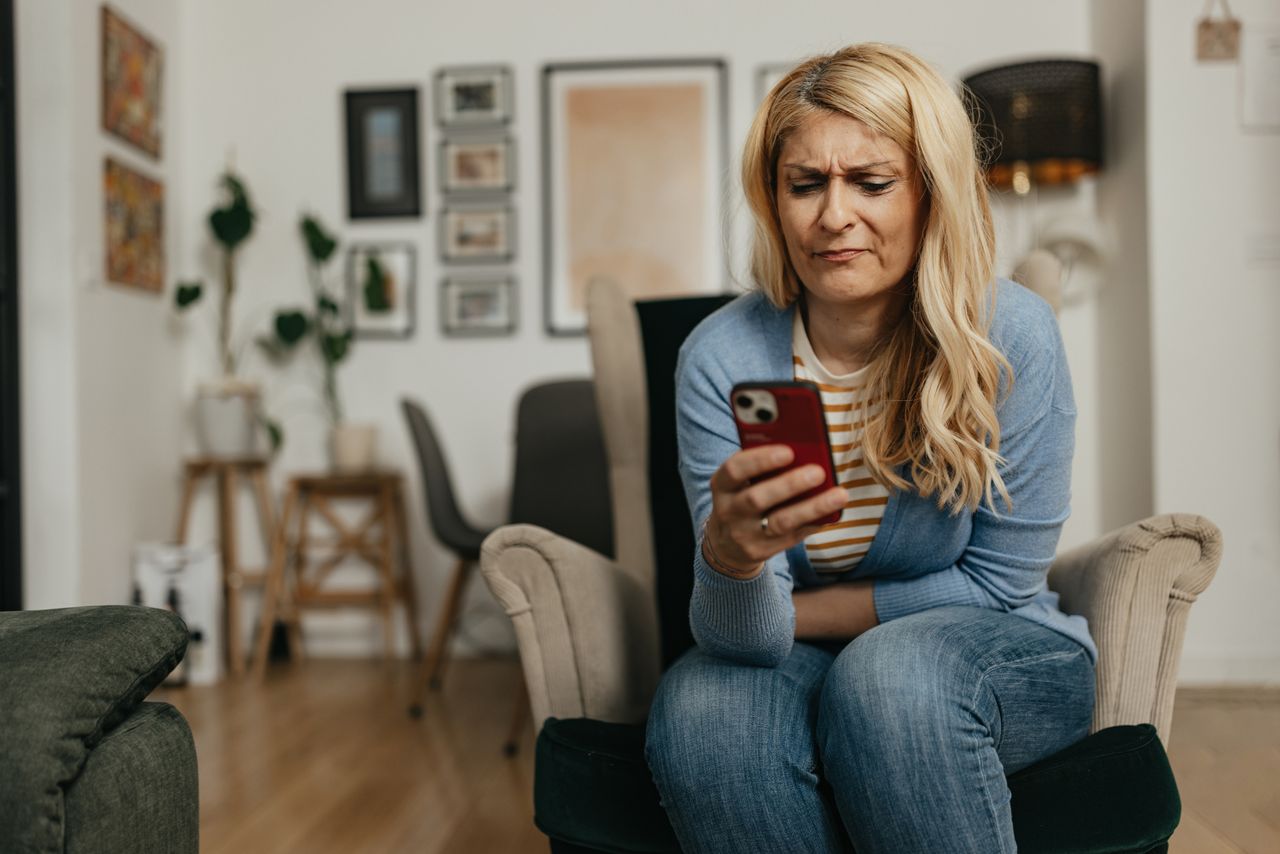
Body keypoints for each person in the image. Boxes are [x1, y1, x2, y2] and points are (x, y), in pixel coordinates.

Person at [643, 43, 1097, 854]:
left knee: (886, 680)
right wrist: (733, 563)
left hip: (999, 651)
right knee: (703, 712)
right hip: (798, 657)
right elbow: (743, 640)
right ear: (773, 200)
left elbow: (998, 584)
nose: (833, 216)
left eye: (873, 182)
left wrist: (799, 614)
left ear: (931, 192)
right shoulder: (720, 357)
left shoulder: (1010, 334)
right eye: (805, 183)